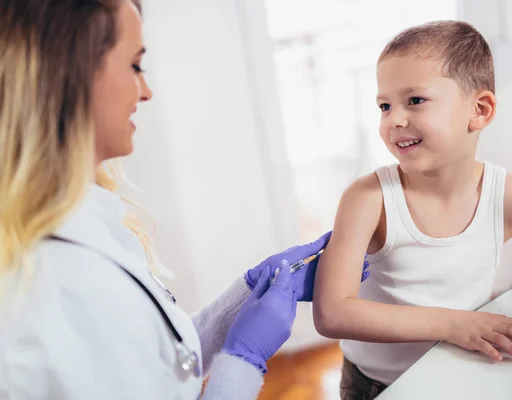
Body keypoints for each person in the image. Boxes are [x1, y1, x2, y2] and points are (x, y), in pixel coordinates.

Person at [0, 1, 370, 399]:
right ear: (70, 77)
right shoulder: (56, 282)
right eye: (135, 66)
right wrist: (246, 356)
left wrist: (248, 294)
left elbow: (162, 362)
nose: (146, 91)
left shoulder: (85, 223)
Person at [312, 20, 512, 400]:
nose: (393, 119)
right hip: (374, 385)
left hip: (462, 376)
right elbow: (332, 312)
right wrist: (454, 325)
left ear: (479, 110)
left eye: (414, 100)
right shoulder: (368, 199)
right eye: (384, 105)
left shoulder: (509, 197)